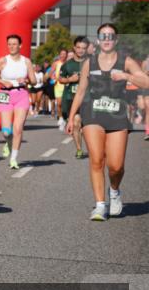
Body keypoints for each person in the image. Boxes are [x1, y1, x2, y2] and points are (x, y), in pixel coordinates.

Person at [66, 23, 149, 220]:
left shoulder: (126, 61)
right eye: (103, 36)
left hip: (117, 114)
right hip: (93, 114)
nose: (107, 39)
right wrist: (71, 117)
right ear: (98, 40)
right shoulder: (89, 62)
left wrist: (126, 75)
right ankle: (100, 205)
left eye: (110, 36)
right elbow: (81, 91)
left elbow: (146, 82)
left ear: (116, 40)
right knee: (96, 159)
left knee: (116, 166)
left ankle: (114, 190)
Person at [0, 34, 37, 170]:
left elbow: (34, 81)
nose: (11, 47)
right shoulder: (3, 60)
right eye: (9, 44)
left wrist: (26, 80)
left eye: (14, 44)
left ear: (20, 45)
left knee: (18, 129)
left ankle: (14, 158)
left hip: (21, 94)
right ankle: (8, 142)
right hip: (5, 95)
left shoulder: (26, 61)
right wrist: (3, 81)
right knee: (6, 132)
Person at [58, 36, 90, 159]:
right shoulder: (67, 65)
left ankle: (93, 147)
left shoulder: (91, 63)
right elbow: (60, 79)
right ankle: (79, 149)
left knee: (87, 127)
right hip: (71, 99)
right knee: (76, 123)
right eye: (78, 47)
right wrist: (70, 79)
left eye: (83, 48)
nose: (81, 50)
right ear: (74, 48)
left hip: (88, 99)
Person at [52, 49, 68, 128]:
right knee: (59, 103)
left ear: (66, 55)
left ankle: (66, 118)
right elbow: (51, 73)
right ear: (59, 55)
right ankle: (60, 117)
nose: (63, 55)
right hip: (58, 85)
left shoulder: (68, 63)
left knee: (66, 103)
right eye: (61, 54)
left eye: (64, 54)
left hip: (66, 85)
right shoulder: (56, 63)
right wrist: (53, 78)